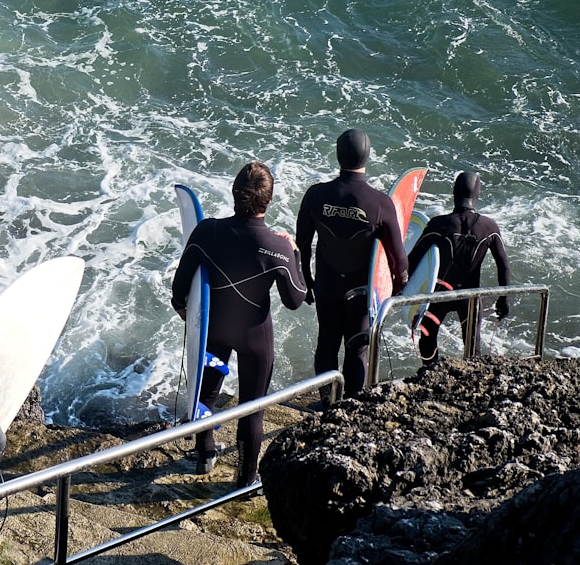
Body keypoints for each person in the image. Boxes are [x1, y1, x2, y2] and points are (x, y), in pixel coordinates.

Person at [171, 161, 307, 487]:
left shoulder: (208, 231)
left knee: (207, 392)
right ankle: (245, 481)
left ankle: (204, 453)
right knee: (252, 409)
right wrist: (296, 253)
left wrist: (190, 319)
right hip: (254, 338)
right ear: (269, 200)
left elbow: (179, 290)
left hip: (213, 329)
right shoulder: (278, 247)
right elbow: (295, 298)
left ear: (234, 193)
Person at [295, 129, 408, 400]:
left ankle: (327, 401)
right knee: (357, 347)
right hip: (361, 290)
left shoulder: (315, 195)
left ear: (337, 155)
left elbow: (302, 245)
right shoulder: (380, 203)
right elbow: (398, 257)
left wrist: (306, 282)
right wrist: (398, 287)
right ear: (367, 155)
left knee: (327, 343)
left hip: (326, 283)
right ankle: (351, 406)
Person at [407, 171, 513, 365]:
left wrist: (403, 289)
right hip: (471, 298)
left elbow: (412, 261)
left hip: (439, 296)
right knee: (473, 349)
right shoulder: (489, 227)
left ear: (454, 192)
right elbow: (504, 267)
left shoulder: (439, 224)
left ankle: (430, 375)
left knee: (427, 340)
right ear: (477, 195)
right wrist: (504, 299)